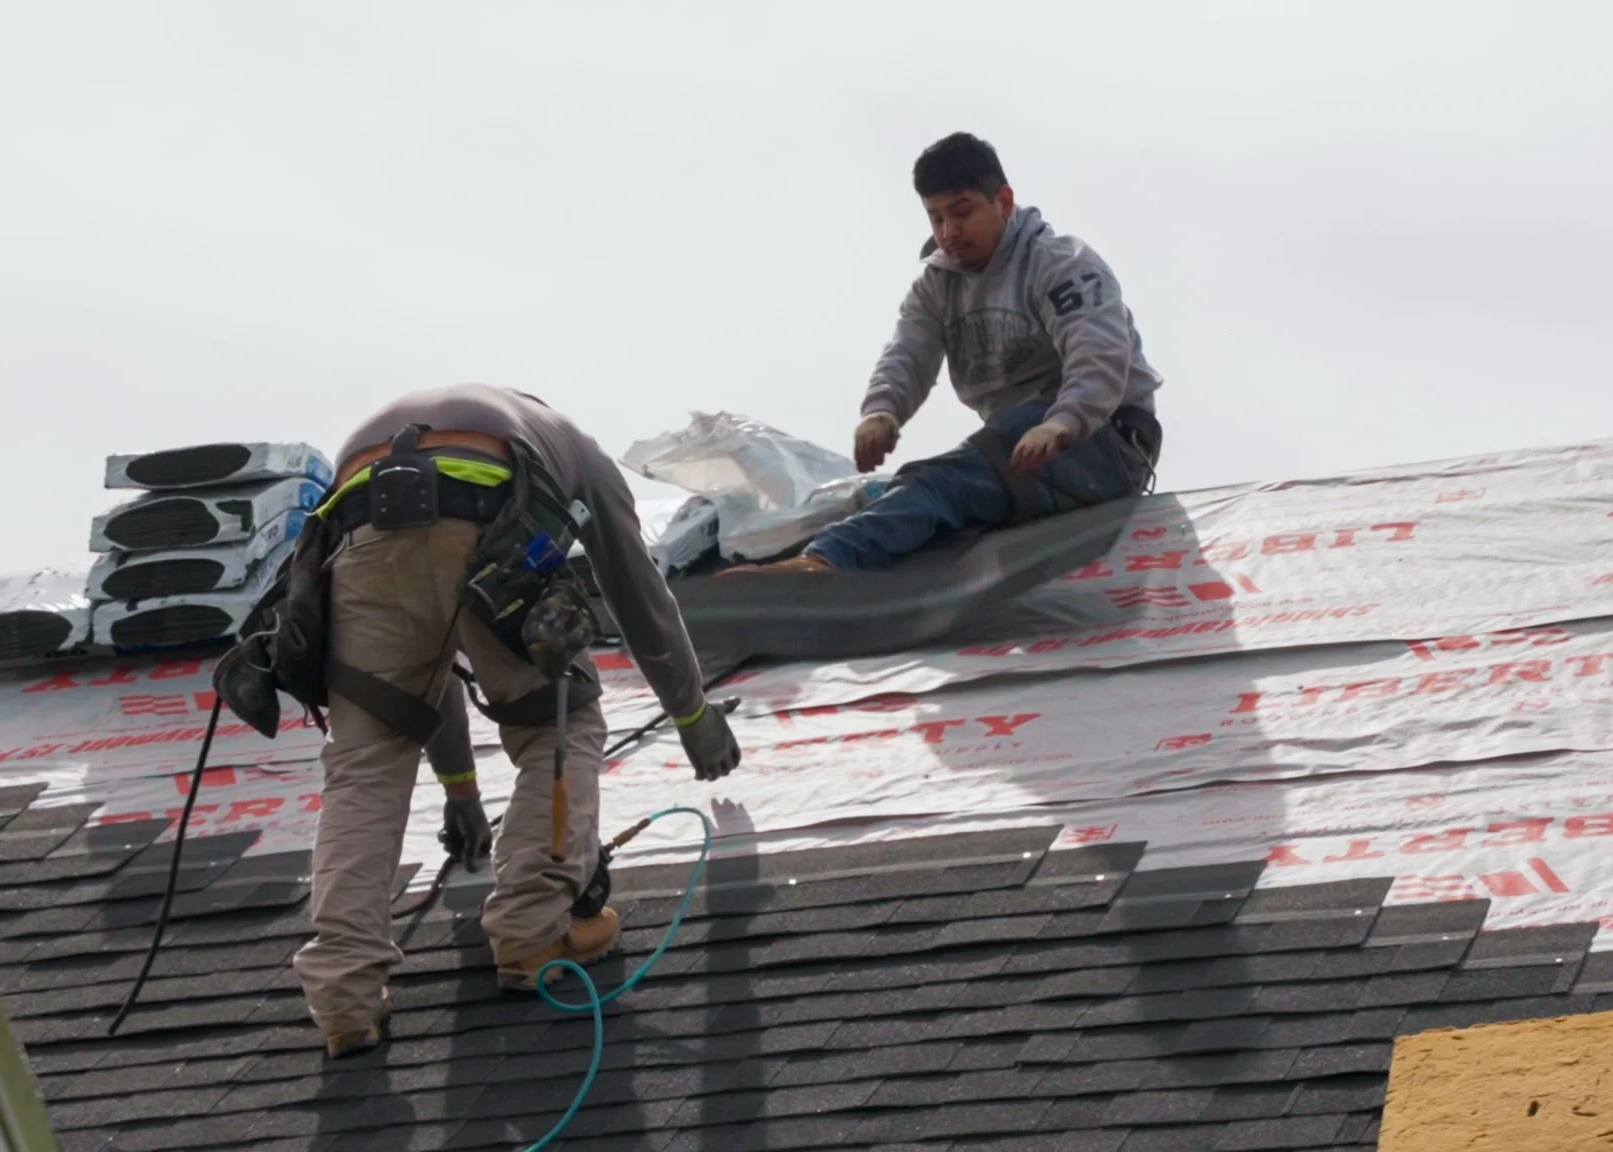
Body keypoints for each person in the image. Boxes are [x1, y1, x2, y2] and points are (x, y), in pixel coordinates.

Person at [292, 383, 741, 1058]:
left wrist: (461, 790)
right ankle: (532, 930)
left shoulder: (396, 428)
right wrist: (690, 710)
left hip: (359, 524)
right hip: (488, 507)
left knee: (366, 763)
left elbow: (424, 660)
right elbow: (639, 595)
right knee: (564, 723)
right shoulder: (572, 444)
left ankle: (345, 995)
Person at [739, 132, 1163, 573]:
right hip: (1018, 451)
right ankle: (826, 565)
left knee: (946, 483)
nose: (949, 232)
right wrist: (882, 411)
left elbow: (1099, 350)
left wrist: (1063, 422)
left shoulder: (1060, 263)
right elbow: (908, 352)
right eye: (935, 219)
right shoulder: (937, 286)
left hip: (1104, 444)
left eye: (962, 213)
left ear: (1003, 201)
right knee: (910, 492)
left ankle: (828, 561)